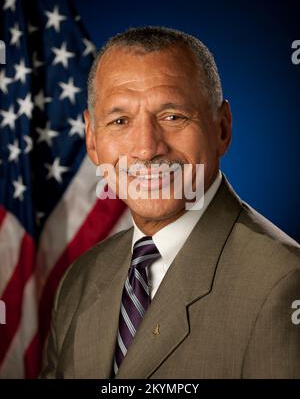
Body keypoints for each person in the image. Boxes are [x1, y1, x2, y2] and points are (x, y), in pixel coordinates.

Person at [40, 26, 300, 379]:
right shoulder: (81, 278)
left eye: (172, 116)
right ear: (92, 140)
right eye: (120, 121)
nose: (147, 148)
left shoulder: (283, 282)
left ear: (221, 128)